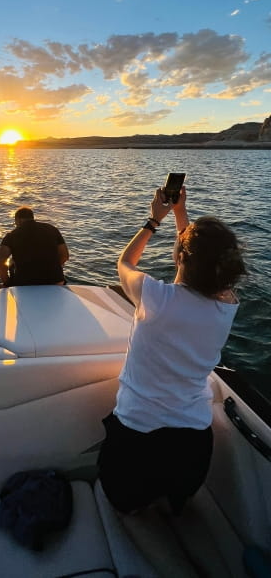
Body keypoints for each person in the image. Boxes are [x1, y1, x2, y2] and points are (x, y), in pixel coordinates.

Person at [97, 184, 247, 517]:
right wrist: (181, 215)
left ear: (180, 255)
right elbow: (200, 262)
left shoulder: (154, 297)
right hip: (192, 447)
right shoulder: (227, 305)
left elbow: (124, 262)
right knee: (176, 509)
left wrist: (155, 220)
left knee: (124, 508)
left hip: (137, 438)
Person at [0, 206, 69, 287]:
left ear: (18, 219)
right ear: (32, 218)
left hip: (24, 283)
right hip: (55, 281)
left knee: (11, 263)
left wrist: (7, 282)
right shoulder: (52, 229)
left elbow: (0, 260)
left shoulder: (12, 235)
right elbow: (65, 255)